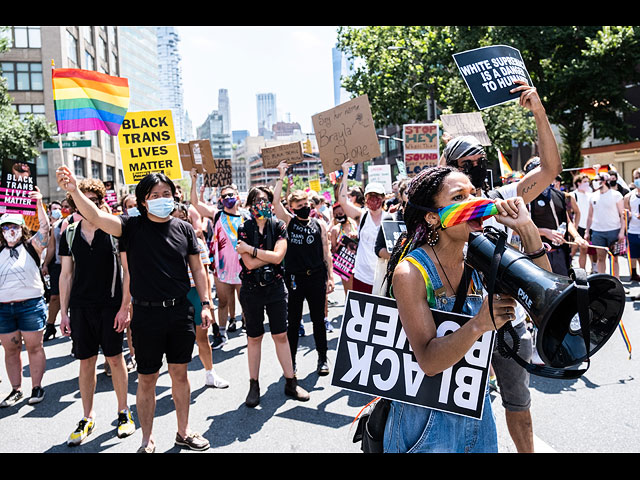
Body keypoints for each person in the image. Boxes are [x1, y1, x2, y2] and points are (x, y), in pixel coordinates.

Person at [382, 166, 549, 453]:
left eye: (474, 193)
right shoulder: (410, 273)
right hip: (424, 421)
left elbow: (544, 293)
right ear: (433, 217)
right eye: (459, 197)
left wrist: (526, 228)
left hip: (476, 411)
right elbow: (429, 362)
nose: (474, 203)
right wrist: (478, 324)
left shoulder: (483, 253)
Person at [441, 80, 562, 453]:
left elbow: (549, 170)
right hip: (462, 319)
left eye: (480, 161)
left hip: (509, 319)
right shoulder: (442, 212)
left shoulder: (501, 200)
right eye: (467, 163)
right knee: (458, 407)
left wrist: (539, 113)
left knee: (518, 401)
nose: (477, 167)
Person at [56, 166, 211, 453]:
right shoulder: (129, 227)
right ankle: (146, 438)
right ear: (143, 201)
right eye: (155, 194)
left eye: (167, 193)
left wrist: (204, 303)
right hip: (146, 315)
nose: (162, 198)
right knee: (148, 379)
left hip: (180, 313)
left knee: (180, 374)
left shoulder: (185, 228)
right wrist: (75, 190)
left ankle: (184, 431)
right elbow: (96, 216)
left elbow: (198, 270)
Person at [57, 179, 135, 445]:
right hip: (81, 307)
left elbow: (128, 271)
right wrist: (64, 313)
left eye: (94, 200)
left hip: (111, 305)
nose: (88, 205)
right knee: (86, 361)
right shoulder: (69, 232)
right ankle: (87, 417)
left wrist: (125, 306)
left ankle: (124, 412)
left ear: (102, 202)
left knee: (114, 359)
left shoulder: (115, 230)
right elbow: (66, 275)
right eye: (82, 200)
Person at [235, 186, 310, 407]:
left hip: (276, 287)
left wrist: (251, 249)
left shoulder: (279, 226)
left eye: (266, 200)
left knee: (281, 335)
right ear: (249, 205)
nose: (262, 204)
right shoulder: (244, 227)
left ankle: (291, 381)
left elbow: (279, 257)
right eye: (257, 200)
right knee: (254, 337)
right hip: (251, 288)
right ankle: (254, 385)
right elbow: (248, 264)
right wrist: (261, 255)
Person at [273, 162, 334, 376]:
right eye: (299, 205)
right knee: (294, 322)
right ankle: (292, 363)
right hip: (295, 279)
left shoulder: (320, 225)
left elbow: (326, 252)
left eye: (306, 203)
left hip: (316, 277)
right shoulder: (289, 222)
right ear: (292, 208)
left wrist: (330, 277)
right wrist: (281, 176)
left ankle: (322, 358)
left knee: (319, 320)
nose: (304, 207)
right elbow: (275, 202)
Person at [0, 188, 49, 407]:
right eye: (5, 227)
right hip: (3, 309)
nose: (10, 231)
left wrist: (39, 204)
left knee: (34, 347)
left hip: (30, 306)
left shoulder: (32, 246)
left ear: (22, 228)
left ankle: (36, 387)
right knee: (11, 349)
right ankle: (16, 389)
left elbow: (46, 231)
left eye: (14, 226)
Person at [171, 203, 229, 388]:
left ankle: (210, 374)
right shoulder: (163, 243)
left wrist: (208, 302)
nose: (179, 221)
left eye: (183, 217)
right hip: (173, 296)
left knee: (202, 338)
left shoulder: (197, 242)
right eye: (175, 217)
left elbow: (204, 273)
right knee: (177, 342)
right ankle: (179, 382)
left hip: (195, 293)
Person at [190, 169, 244, 349]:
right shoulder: (217, 214)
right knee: (222, 302)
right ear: (221, 200)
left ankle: (250, 329)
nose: (227, 197)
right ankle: (221, 333)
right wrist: (194, 180)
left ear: (237, 197)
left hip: (244, 268)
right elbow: (195, 203)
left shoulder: (247, 216)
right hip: (222, 269)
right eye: (224, 196)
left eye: (231, 195)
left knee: (246, 301)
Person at [523, 157, 588, 276]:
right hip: (537, 254)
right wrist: (544, 232)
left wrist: (577, 236)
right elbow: (518, 229)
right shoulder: (525, 198)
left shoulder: (559, 195)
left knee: (563, 288)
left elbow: (567, 221)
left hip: (559, 253)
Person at [337, 163, 393, 293]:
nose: (373, 199)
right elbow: (342, 201)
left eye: (377, 196)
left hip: (381, 277)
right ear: (365, 198)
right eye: (370, 196)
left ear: (383, 198)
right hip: (362, 275)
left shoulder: (390, 218)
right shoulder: (361, 216)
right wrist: (345, 173)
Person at [586, 171, 626, 279]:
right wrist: (587, 231)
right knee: (600, 258)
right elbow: (589, 216)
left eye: (596, 180)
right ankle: (602, 283)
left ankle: (616, 281)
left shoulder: (616, 195)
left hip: (614, 231)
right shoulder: (592, 196)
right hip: (598, 232)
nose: (594, 182)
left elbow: (622, 215)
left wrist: (622, 231)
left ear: (604, 181)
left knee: (614, 258)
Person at [42, 201, 65, 341]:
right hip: (57, 265)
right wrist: (45, 264)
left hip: (74, 265)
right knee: (54, 296)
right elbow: (51, 248)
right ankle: (50, 326)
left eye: (60, 208)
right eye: (54, 209)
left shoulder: (71, 221)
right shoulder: (54, 227)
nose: (58, 210)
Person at [329, 202, 359, 297]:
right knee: (350, 294)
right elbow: (332, 250)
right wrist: (338, 247)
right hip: (346, 266)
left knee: (361, 292)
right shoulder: (335, 230)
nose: (339, 216)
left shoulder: (355, 224)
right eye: (336, 215)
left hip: (359, 263)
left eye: (341, 214)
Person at [624, 168, 640, 282]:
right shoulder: (629, 196)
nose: (638, 180)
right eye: (636, 177)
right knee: (634, 255)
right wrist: (628, 215)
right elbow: (625, 213)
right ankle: (634, 273)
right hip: (633, 231)